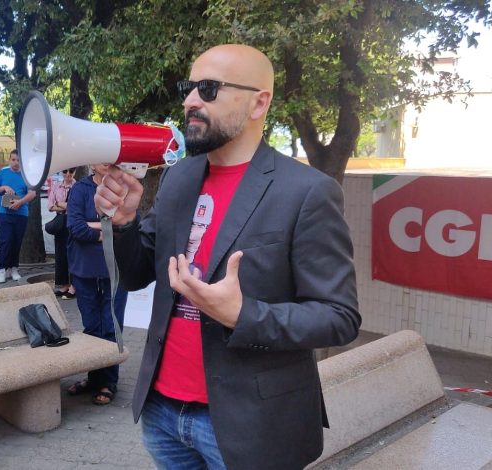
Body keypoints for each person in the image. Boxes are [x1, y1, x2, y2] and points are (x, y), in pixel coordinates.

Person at [94, 44, 360, 469]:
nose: (190, 100)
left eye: (208, 88)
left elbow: (339, 317)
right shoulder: (179, 177)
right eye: (188, 88)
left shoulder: (307, 192)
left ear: (259, 103)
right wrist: (124, 222)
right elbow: (137, 274)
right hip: (162, 411)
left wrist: (242, 315)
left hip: (251, 423)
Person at [66, 163, 128, 406]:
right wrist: (106, 228)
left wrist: (93, 225)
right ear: (92, 163)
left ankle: (108, 382)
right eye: (100, 157)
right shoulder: (80, 189)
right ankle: (94, 377)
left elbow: (126, 227)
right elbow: (75, 228)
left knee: (111, 327)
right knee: (91, 327)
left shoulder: (124, 187)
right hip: (84, 270)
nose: (105, 162)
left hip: (115, 269)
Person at [0, 150, 35, 283]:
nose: (16, 163)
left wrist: (20, 202)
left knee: (17, 241)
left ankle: (13, 268)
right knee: (6, 241)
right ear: (9, 160)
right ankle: (2, 269)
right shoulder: (3, 173)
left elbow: (32, 193)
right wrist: (4, 187)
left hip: (21, 213)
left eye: (18, 160)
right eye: (13, 160)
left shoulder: (27, 175)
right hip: (4, 213)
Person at [47, 167, 76, 299]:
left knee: (74, 254)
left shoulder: (78, 186)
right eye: (65, 171)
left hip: (74, 222)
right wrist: (63, 205)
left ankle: (74, 286)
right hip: (60, 223)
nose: (68, 174)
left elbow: (75, 207)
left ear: (75, 172)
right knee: (60, 255)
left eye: (71, 171)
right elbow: (50, 206)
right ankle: (64, 285)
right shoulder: (56, 186)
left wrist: (59, 204)